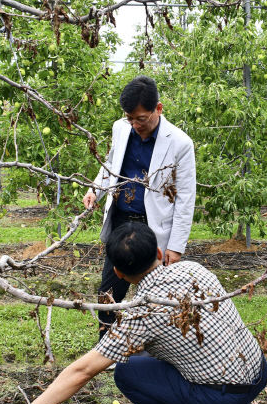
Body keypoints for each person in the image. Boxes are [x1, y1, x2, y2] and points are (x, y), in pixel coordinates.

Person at [0, 222, 267, 404]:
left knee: (126, 372)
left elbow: (82, 371)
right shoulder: (193, 269)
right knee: (154, 350)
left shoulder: (140, 316)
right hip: (257, 374)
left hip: (223, 398)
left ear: (118, 273)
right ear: (159, 251)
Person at [82, 76, 197, 338]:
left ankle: (160, 350)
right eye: (130, 118)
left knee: (158, 296)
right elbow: (111, 166)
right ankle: (107, 346)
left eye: (141, 119)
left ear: (159, 108)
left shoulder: (180, 143)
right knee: (109, 292)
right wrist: (94, 191)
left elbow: (186, 197)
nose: (135, 125)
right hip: (123, 222)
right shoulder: (121, 128)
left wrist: (176, 246)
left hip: (153, 227)